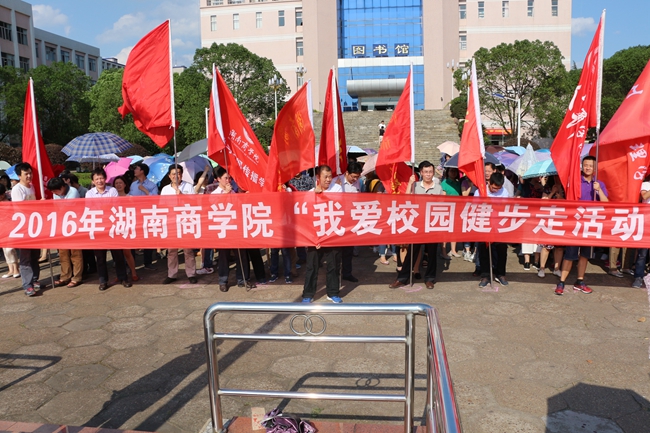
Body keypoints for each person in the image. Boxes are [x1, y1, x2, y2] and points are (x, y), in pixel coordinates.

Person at [555, 156, 608, 296]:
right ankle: (561, 282)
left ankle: (580, 281)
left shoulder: (599, 184)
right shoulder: (575, 182)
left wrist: (599, 190)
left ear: (595, 168)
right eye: (586, 165)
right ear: (582, 166)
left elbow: (606, 203)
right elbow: (568, 200)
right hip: (575, 224)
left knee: (585, 255)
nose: (588, 168)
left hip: (590, 224)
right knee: (570, 255)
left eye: (591, 165)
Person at [389, 161, 442, 290]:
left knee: (432, 252)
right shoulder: (415, 186)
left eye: (430, 172)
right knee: (412, 251)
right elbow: (406, 200)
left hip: (432, 223)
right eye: (426, 172)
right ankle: (402, 278)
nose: (428, 174)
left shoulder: (438, 187)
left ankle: (430, 278)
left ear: (433, 173)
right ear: (421, 173)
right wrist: (410, 184)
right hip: (417, 223)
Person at [302, 165, 343, 303]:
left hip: (332, 233)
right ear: (318, 177)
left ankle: (333, 292)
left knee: (333, 265)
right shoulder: (310, 192)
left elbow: (338, 205)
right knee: (312, 266)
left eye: (330, 176)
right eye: (325, 177)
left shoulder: (337, 188)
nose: (328, 180)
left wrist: (322, 196)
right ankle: (308, 294)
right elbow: (307, 215)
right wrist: (314, 195)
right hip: (316, 235)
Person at [86, 168, 131, 291]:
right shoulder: (89, 194)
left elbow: (115, 207)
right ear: (93, 181)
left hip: (113, 227)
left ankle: (123, 278)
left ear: (105, 179)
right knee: (100, 257)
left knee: (118, 255)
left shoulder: (112, 190)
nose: (99, 181)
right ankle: (103, 280)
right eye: (97, 179)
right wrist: (105, 206)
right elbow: (90, 209)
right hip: (98, 228)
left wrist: (101, 207)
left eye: (101, 178)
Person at [212, 167, 255, 292]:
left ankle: (243, 279)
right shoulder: (215, 193)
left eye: (229, 178)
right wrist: (225, 194)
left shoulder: (232, 192)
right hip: (223, 228)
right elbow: (214, 205)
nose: (228, 181)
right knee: (224, 256)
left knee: (241, 254)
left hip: (235, 226)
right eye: (225, 178)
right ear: (218, 179)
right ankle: (223, 280)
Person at [160, 165, 198, 285]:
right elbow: (162, 206)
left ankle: (191, 274)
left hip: (185, 221)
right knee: (172, 250)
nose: (176, 176)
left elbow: (194, 203)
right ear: (169, 176)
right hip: (171, 223)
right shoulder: (165, 189)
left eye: (178, 173)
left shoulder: (188, 186)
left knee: (188, 250)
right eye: (173, 174)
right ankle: (172, 274)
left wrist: (182, 196)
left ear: (182, 174)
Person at [46, 177, 83, 288]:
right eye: (53, 192)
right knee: (63, 253)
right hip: (61, 226)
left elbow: (66, 209)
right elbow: (57, 208)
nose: (54, 193)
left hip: (74, 225)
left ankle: (77, 277)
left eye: (55, 191)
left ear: (62, 187)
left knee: (75, 253)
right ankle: (65, 276)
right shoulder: (56, 194)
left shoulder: (73, 192)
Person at [476, 172, 510, 287]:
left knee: (502, 251)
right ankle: (485, 276)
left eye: (498, 189)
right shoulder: (480, 191)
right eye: (494, 188)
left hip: (499, 226)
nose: (496, 190)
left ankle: (501, 274)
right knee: (484, 251)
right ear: (489, 183)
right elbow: (474, 206)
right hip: (484, 225)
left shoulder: (504, 192)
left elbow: (505, 207)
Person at [11, 163, 41, 296]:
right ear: (19, 176)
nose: (29, 176)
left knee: (35, 255)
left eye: (30, 173)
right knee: (25, 258)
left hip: (34, 226)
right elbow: (20, 208)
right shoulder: (17, 189)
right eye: (26, 174)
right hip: (23, 228)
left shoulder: (32, 186)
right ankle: (27, 285)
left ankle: (34, 279)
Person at [332, 161, 362, 283]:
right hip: (337, 220)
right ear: (347, 172)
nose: (355, 179)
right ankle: (334, 274)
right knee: (336, 250)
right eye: (353, 176)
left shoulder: (357, 183)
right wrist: (336, 189)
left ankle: (347, 273)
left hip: (351, 220)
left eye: (357, 177)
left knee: (348, 249)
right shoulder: (335, 181)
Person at [128, 162, 159, 271]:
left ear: (142, 171)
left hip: (147, 214)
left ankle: (148, 262)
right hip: (135, 214)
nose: (135, 170)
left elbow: (156, 199)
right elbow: (130, 197)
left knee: (148, 238)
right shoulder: (133, 184)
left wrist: (145, 190)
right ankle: (131, 263)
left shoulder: (152, 185)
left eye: (137, 169)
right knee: (132, 238)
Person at [113, 176, 139, 282]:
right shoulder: (112, 198)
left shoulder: (130, 197)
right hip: (114, 227)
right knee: (117, 255)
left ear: (124, 184)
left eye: (120, 183)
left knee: (127, 252)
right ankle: (120, 274)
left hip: (126, 227)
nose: (118, 185)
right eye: (116, 183)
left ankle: (133, 272)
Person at [0, 184, 20, 279]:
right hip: (2, 228)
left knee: (10, 249)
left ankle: (16, 268)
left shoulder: (10, 199)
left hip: (11, 227)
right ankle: (10, 269)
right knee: (5, 249)